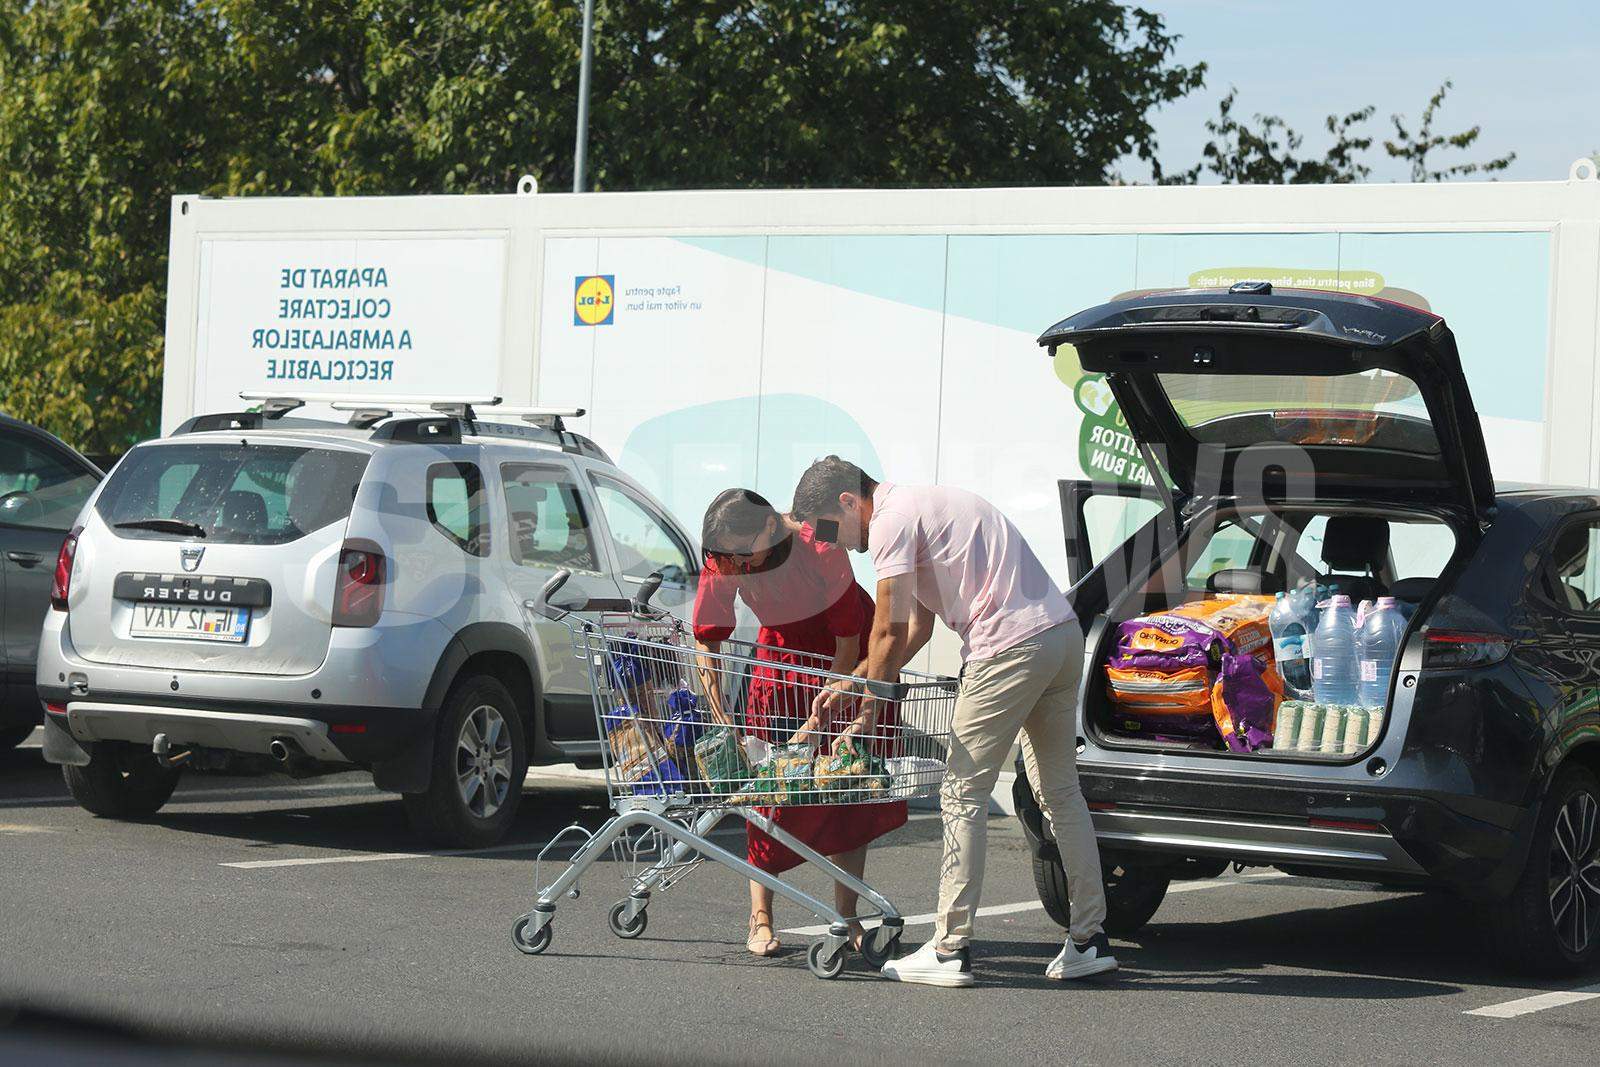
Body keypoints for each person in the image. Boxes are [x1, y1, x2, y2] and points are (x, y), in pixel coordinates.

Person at [794, 456, 1113, 988]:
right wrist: (859, 686)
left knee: (961, 793)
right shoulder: (928, 506)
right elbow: (917, 626)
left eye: (832, 528)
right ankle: (1089, 938)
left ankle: (949, 949)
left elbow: (888, 630)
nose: (838, 543)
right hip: (1059, 637)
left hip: (1006, 649)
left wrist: (865, 699)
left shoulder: (892, 520)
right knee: (1061, 793)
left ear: (850, 502)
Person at [692, 488, 908, 957]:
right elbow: (708, 639)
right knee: (767, 789)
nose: (736, 567)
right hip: (780, 662)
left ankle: (846, 915)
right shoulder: (727, 555)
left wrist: (824, 712)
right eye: (727, 558)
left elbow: (849, 641)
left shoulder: (822, 538)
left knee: (847, 789)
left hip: (844, 662)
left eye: (744, 556)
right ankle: (761, 916)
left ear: (770, 528)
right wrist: (720, 712)